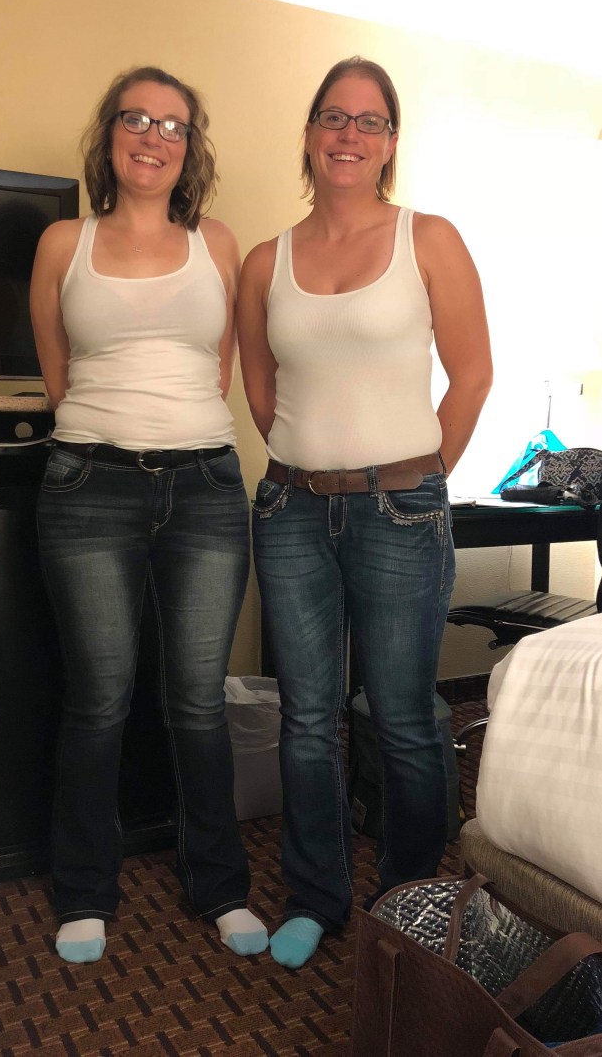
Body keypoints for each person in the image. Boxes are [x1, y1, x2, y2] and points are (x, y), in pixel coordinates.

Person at [237, 56, 492, 969]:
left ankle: (408, 900)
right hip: (292, 510)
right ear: (309, 133)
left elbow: (472, 375)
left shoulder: (429, 239)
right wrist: (311, 463)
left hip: (401, 510)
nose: (349, 134)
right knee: (306, 719)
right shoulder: (264, 262)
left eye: (369, 121)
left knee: (403, 716)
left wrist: (418, 475)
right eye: (333, 117)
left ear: (389, 143)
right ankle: (317, 896)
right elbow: (260, 389)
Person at [30, 65, 267, 964]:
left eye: (173, 125)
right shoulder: (63, 243)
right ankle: (85, 892)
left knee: (197, 703)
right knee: (98, 700)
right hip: (89, 485)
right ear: (109, 134)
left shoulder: (219, 244)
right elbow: (58, 373)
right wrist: (111, 439)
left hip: (204, 487)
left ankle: (221, 887)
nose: (153, 136)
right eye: (136, 118)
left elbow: (222, 368)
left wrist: (172, 436)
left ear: (189, 147)